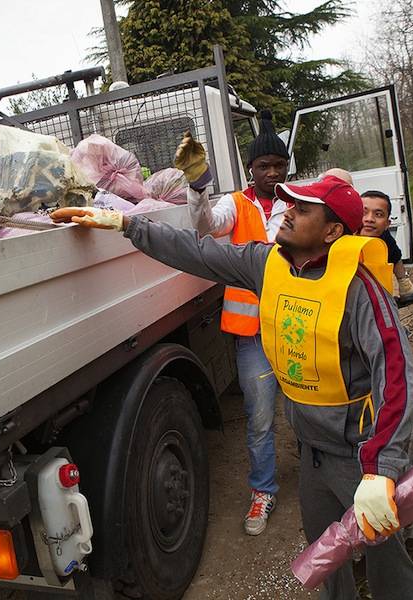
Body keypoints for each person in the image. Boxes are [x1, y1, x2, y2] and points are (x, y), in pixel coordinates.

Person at [51, 167, 413, 599]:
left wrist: (382, 470)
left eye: (303, 209)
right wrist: (128, 225)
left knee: (386, 560)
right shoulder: (269, 264)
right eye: (290, 204)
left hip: (358, 455)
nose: (287, 212)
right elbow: (199, 252)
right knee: (326, 556)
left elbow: (396, 373)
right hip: (313, 454)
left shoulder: (359, 289)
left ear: (332, 231)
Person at [177, 109, 289, 536]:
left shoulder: (298, 203)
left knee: (307, 410)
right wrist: (197, 185)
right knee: (259, 417)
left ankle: (324, 480)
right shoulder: (235, 204)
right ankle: (263, 490)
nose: (272, 173)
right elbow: (206, 228)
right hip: (253, 336)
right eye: (264, 166)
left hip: (296, 325)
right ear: (250, 170)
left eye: (279, 165)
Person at [360, 190, 413, 308]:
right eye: (363, 213)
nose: (369, 219)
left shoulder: (384, 237)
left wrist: (402, 281)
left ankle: (405, 285)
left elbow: (396, 257)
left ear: (387, 224)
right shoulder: (341, 237)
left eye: (378, 214)